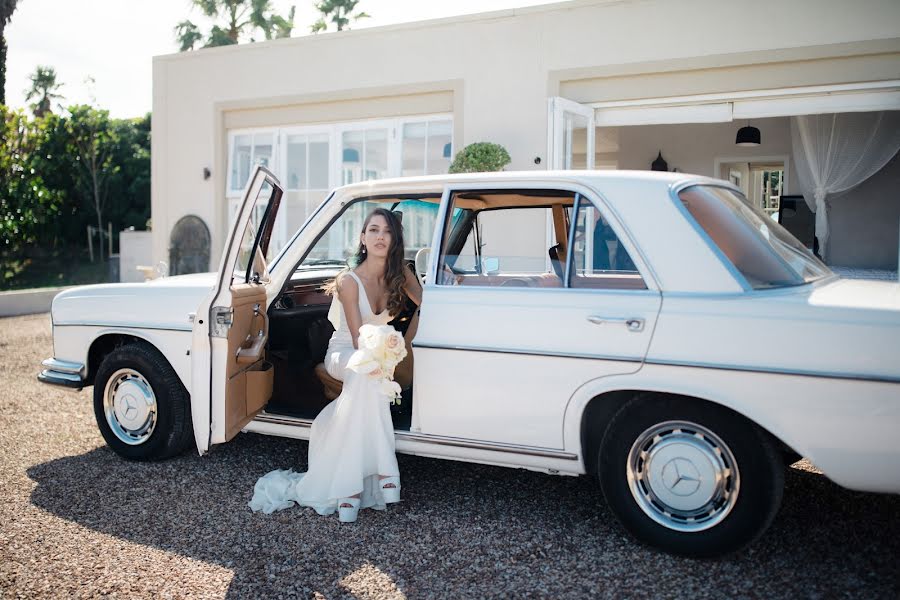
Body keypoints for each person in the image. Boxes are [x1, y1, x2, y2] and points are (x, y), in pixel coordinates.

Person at [249, 208, 423, 522]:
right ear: (363, 238)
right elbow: (358, 340)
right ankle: (386, 470)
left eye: (387, 231)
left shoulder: (402, 274)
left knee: (366, 380)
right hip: (344, 353)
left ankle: (349, 487)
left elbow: (429, 302)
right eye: (373, 230)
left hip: (371, 359)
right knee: (365, 369)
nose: (380, 236)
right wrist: (385, 351)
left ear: (395, 238)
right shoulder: (348, 281)